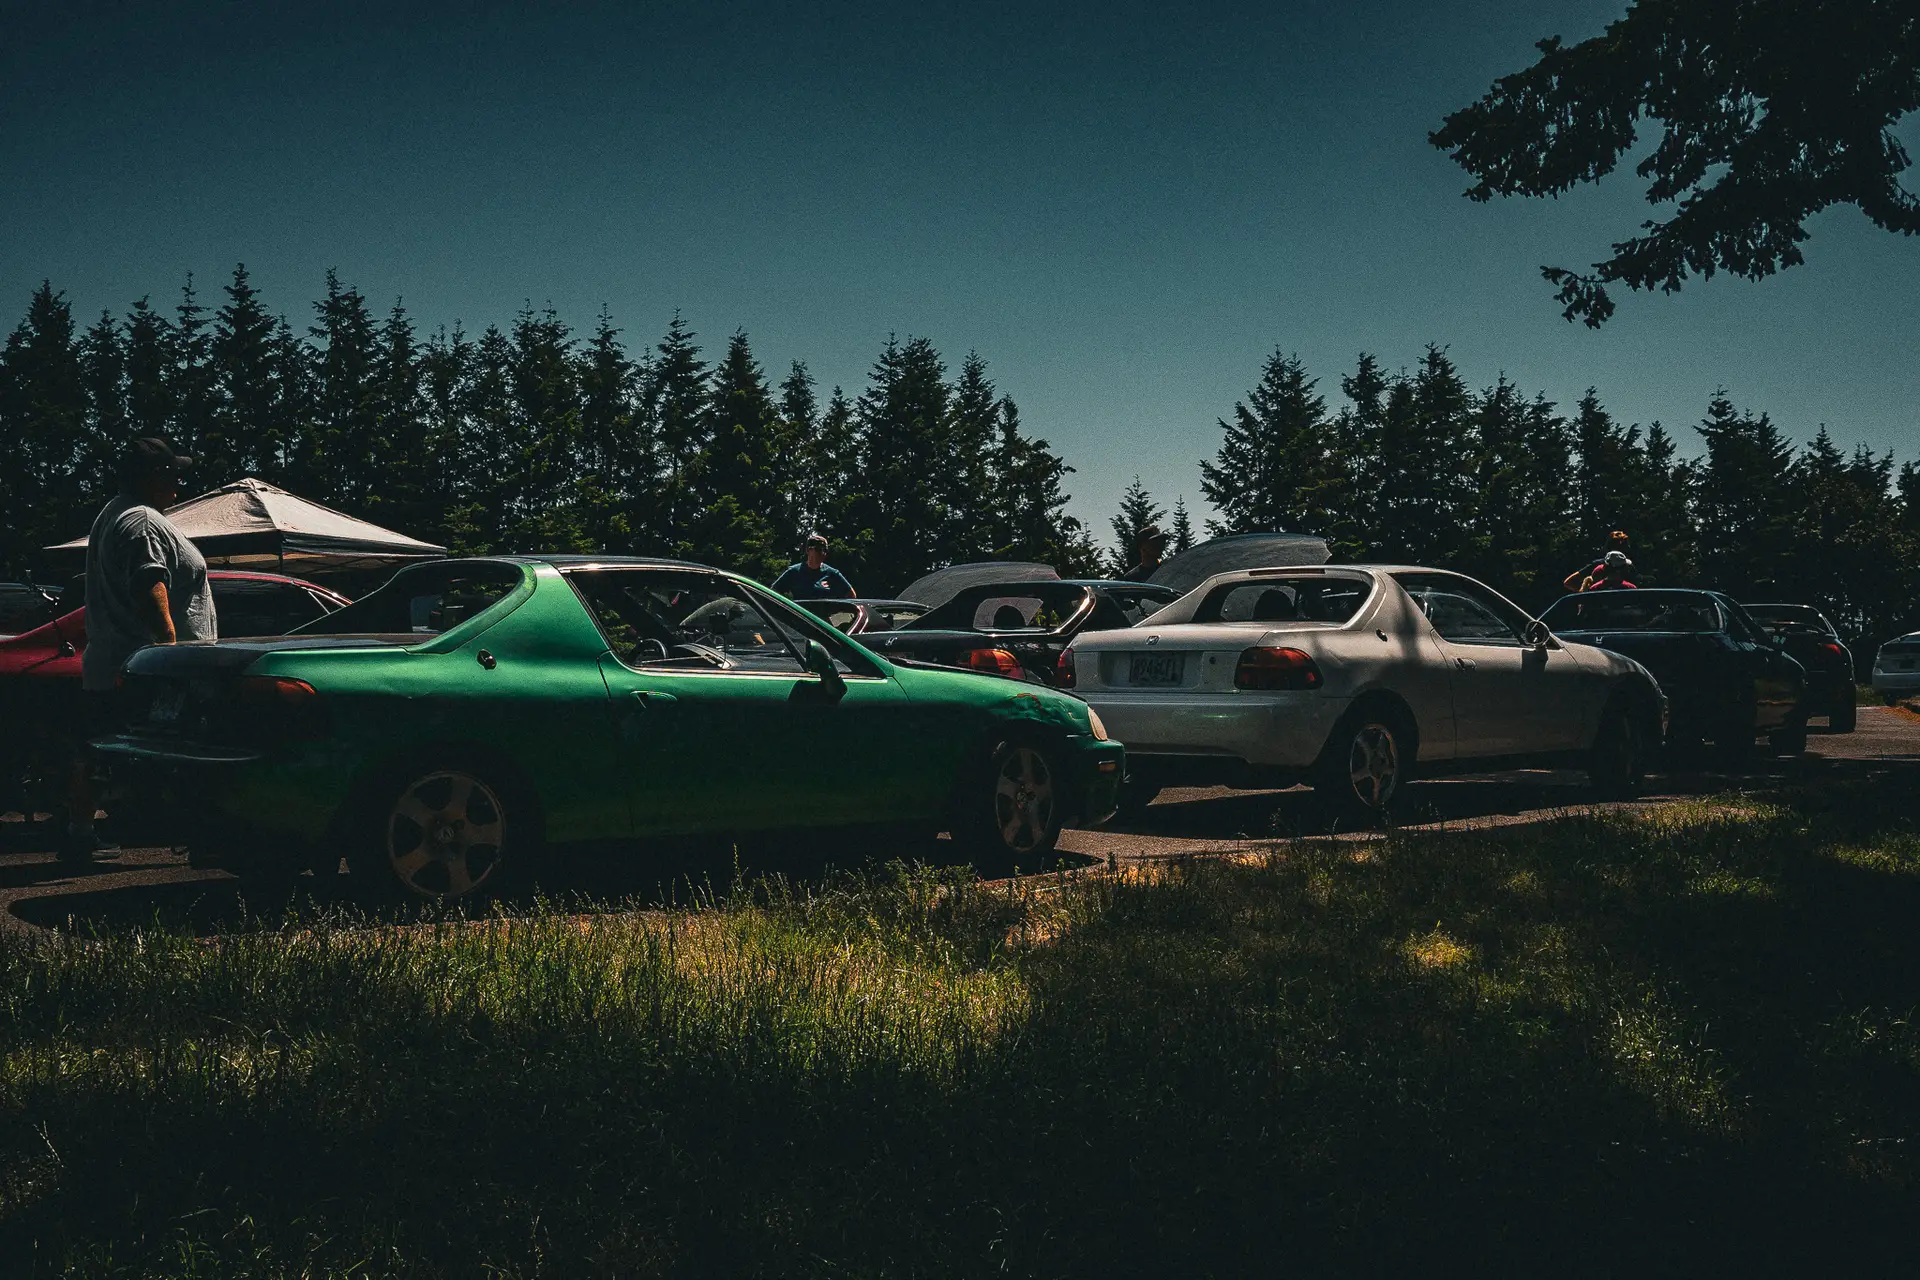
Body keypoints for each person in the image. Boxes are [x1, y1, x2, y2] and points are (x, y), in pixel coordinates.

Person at [66, 437, 218, 861]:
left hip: (113, 661)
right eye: (173, 472)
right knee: (178, 754)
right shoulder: (143, 522)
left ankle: (80, 834)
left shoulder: (114, 515)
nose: (179, 481)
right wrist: (167, 656)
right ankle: (199, 836)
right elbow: (150, 587)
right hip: (145, 667)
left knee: (97, 750)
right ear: (154, 475)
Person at [771, 533, 856, 600]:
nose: (822, 553)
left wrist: (837, 611)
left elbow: (851, 595)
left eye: (825, 550)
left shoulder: (832, 573)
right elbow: (773, 593)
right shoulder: (794, 572)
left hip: (821, 620)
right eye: (818, 550)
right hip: (799, 618)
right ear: (808, 550)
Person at [1563, 530, 1632, 592]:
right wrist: (1585, 593)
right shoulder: (1598, 565)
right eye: (1625, 546)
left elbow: (1568, 582)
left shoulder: (1628, 565)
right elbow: (1569, 582)